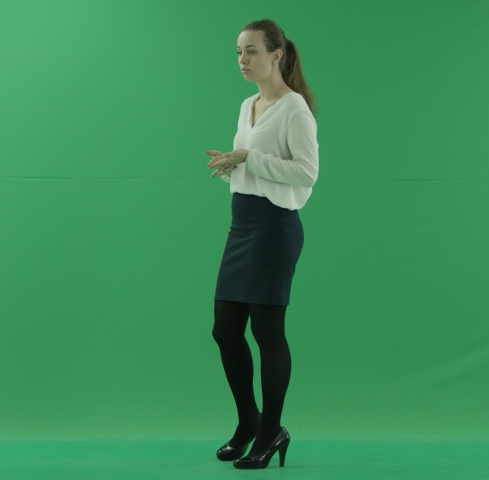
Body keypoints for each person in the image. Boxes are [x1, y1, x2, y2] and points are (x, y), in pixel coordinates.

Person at [205, 19, 319, 470]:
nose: (242, 60)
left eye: (251, 51)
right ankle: (248, 419)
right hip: (242, 225)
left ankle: (272, 430)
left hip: (275, 229)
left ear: (277, 54)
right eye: (238, 52)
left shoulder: (295, 110)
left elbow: (306, 173)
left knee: (267, 333)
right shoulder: (247, 105)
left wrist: (250, 158)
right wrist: (233, 167)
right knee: (225, 330)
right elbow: (256, 166)